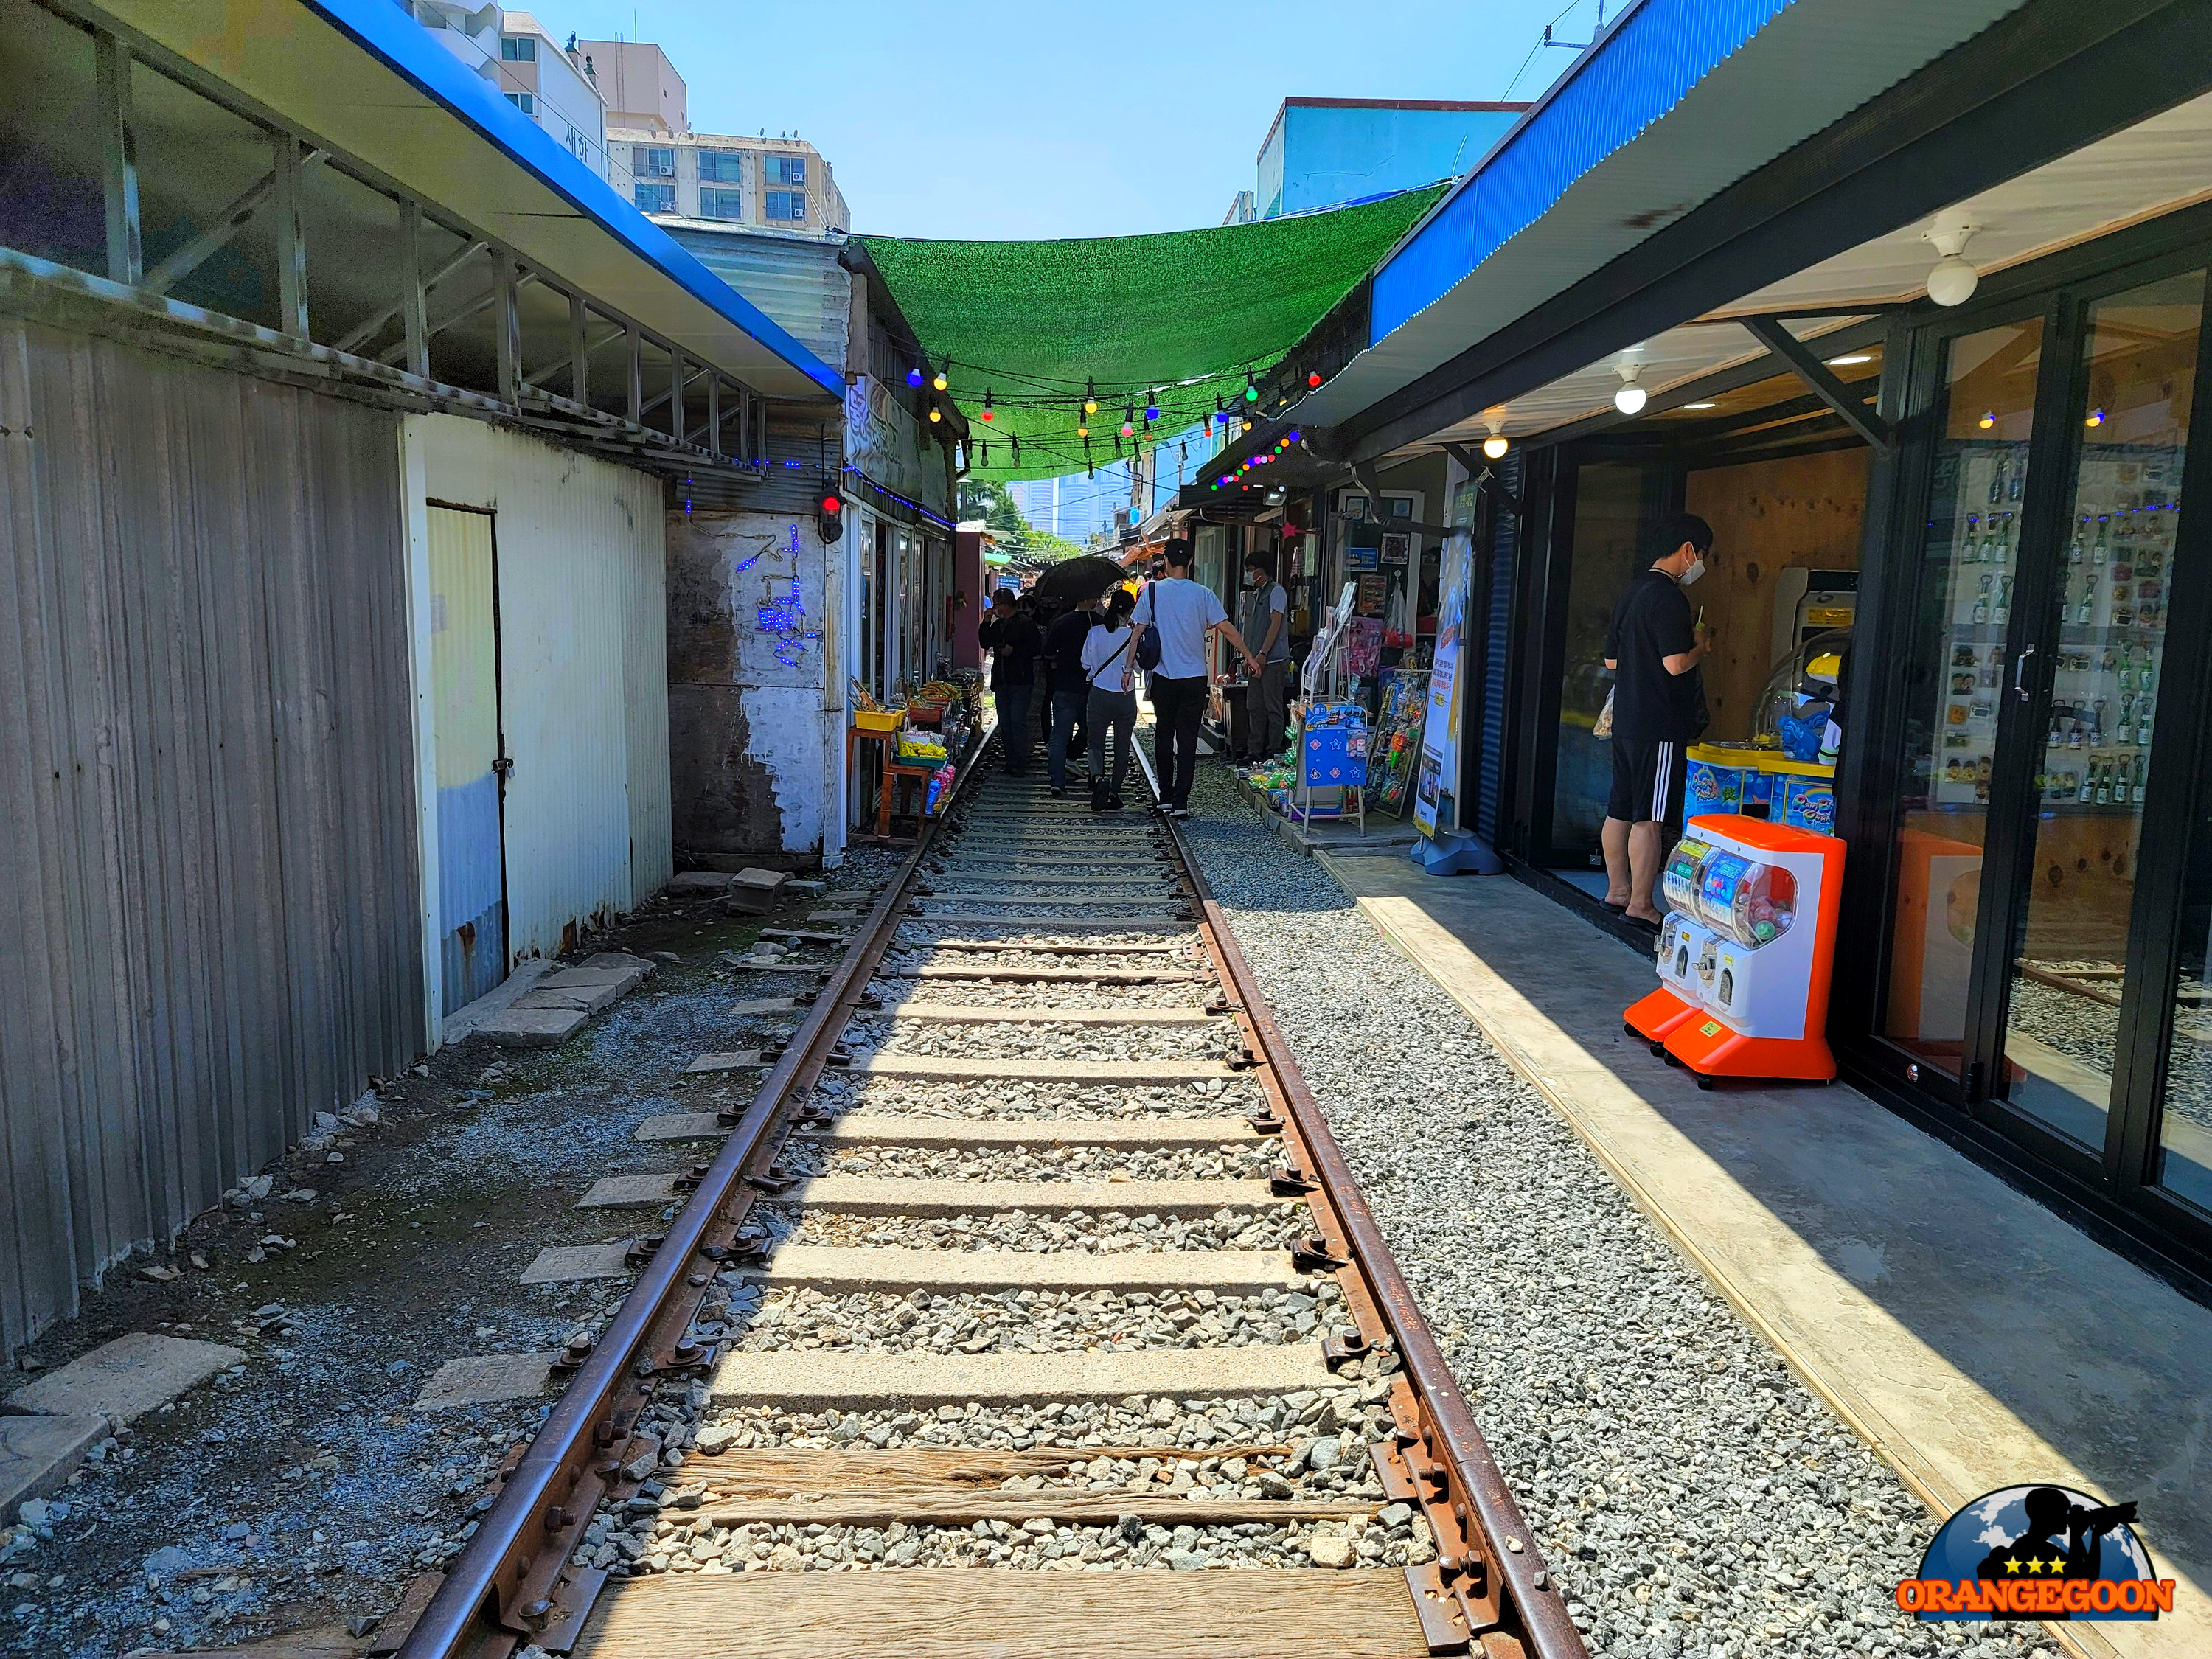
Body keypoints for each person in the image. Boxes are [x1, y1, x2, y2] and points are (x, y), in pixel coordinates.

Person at [1601, 512, 1714, 925]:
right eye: (1702, 556)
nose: (1700, 565)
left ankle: (1617, 891)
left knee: (1620, 808)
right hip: (1659, 723)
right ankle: (1642, 904)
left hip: (1626, 718)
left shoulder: (1631, 593)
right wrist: (1702, 646)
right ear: (1688, 551)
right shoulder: (1668, 597)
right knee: (1650, 816)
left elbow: (1613, 661)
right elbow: (1675, 664)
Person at [1135, 538, 1263, 818]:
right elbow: (1227, 629)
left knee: (1164, 736)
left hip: (1164, 677)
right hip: (1194, 677)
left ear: (1166, 562)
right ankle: (1181, 801)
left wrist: (1125, 670)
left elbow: (1137, 632)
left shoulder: (1152, 592)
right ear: (1191, 563)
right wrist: (1250, 657)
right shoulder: (1203, 593)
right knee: (1188, 739)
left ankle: (1165, 797)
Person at [1082, 588, 1141, 812]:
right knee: (1122, 746)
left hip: (1099, 695)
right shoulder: (1132, 635)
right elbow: (1139, 666)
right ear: (1129, 611)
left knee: (1095, 742)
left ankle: (1098, 779)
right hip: (1126, 697)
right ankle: (1114, 791)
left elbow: (1085, 664)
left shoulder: (1094, 632)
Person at [978, 588, 1043, 775]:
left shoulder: (1025, 623)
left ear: (1005, 605)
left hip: (1020, 679)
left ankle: (1020, 761)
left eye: (997, 605)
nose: (995, 608)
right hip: (1002, 679)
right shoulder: (998, 625)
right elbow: (985, 642)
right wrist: (986, 622)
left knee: (1017, 721)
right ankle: (1011, 759)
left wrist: (1014, 651)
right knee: (1006, 723)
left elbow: (1036, 648)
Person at [1042, 593, 1100, 796]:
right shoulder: (1099, 623)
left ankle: (1057, 780)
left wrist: (1058, 659)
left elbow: (1047, 651)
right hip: (1091, 687)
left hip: (1064, 684)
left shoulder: (1060, 622)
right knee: (1091, 732)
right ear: (1090, 600)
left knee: (1059, 734)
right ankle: (1089, 773)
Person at [1239, 549, 1291, 763]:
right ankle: (1254, 751)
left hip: (1274, 659)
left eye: (1251, 570)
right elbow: (1256, 629)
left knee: (1273, 707)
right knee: (1254, 706)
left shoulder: (1276, 591)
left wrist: (1262, 654)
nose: (1249, 575)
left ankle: (1274, 750)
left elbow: (1275, 624)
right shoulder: (1258, 593)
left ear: (1260, 571)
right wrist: (1249, 656)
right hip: (1257, 659)